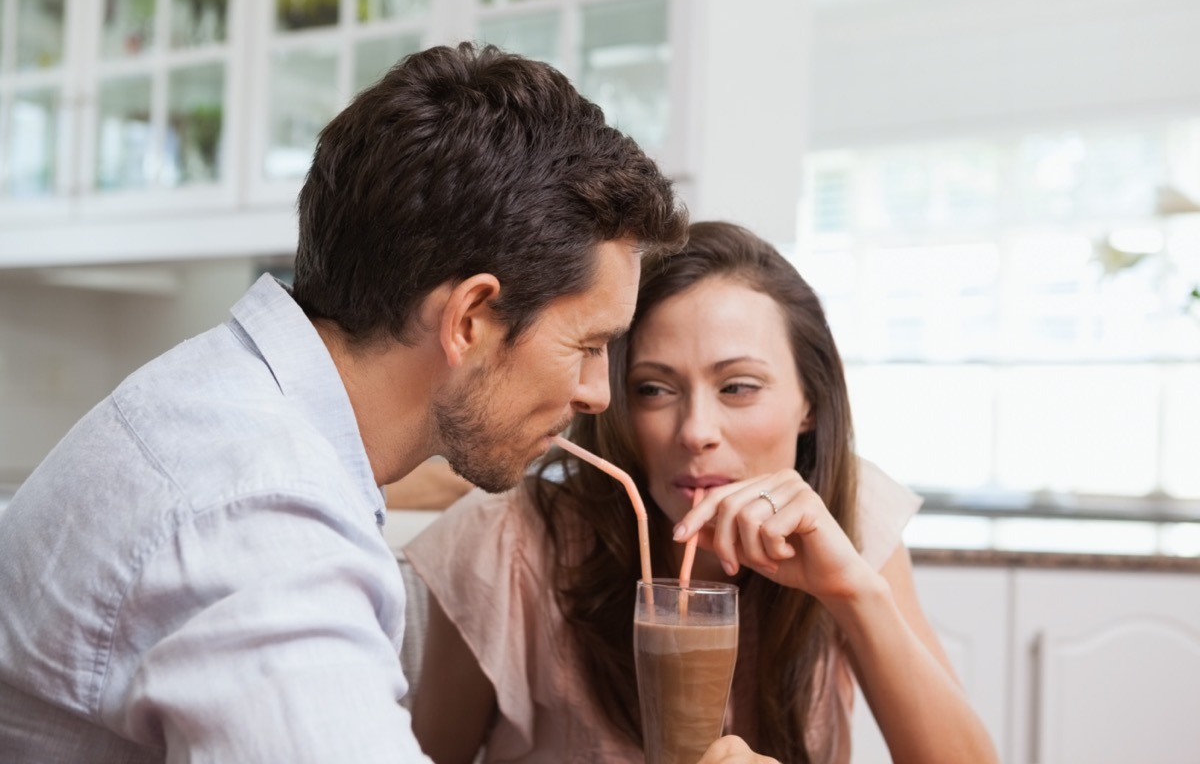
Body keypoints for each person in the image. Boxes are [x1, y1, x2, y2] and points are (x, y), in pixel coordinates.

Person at [0, 42, 690, 762]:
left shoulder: (232, 410)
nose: (596, 391)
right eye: (586, 345)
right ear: (470, 321)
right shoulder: (260, 515)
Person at [405, 221, 1000, 764]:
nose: (694, 432)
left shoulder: (848, 512)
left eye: (738, 387)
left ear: (809, 404)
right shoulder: (507, 541)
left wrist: (851, 590)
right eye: (654, 390)